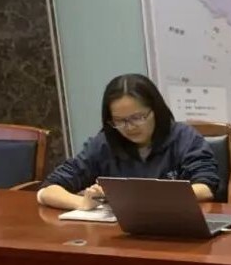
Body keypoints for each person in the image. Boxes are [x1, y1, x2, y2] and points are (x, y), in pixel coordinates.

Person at [37, 74, 219, 210]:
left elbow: (206, 188)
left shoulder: (184, 137)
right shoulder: (104, 143)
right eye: (120, 121)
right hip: (118, 235)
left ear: (156, 111)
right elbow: (48, 190)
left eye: (137, 118)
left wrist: (145, 199)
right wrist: (82, 203)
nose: (130, 127)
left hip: (176, 230)